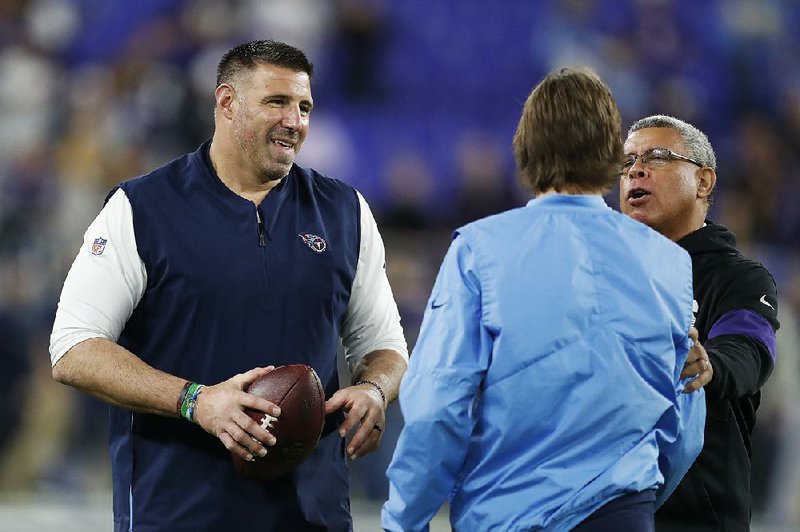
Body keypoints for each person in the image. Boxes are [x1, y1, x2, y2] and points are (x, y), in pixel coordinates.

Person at [49, 39, 408, 531]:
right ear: (226, 102)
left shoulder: (345, 212)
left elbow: (384, 347)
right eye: (276, 102)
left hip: (311, 513)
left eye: (304, 107)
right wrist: (197, 400)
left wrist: (373, 388)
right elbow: (73, 348)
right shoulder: (141, 208)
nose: (295, 121)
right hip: (177, 511)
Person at [382, 68, 708, 531]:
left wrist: (404, 521)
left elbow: (438, 408)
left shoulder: (479, 252)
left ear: (525, 150)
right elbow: (684, 426)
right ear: (612, 155)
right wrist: (635, 502)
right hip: (622, 515)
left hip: (507, 515)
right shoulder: (669, 265)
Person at [619, 114, 780, 531]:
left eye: (657, 157)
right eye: (628, 162)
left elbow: (750, 347)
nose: (636, 169)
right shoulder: (604, 276)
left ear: (703, 182)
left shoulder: (739, 278)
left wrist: (710, 363)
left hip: (696, 519)